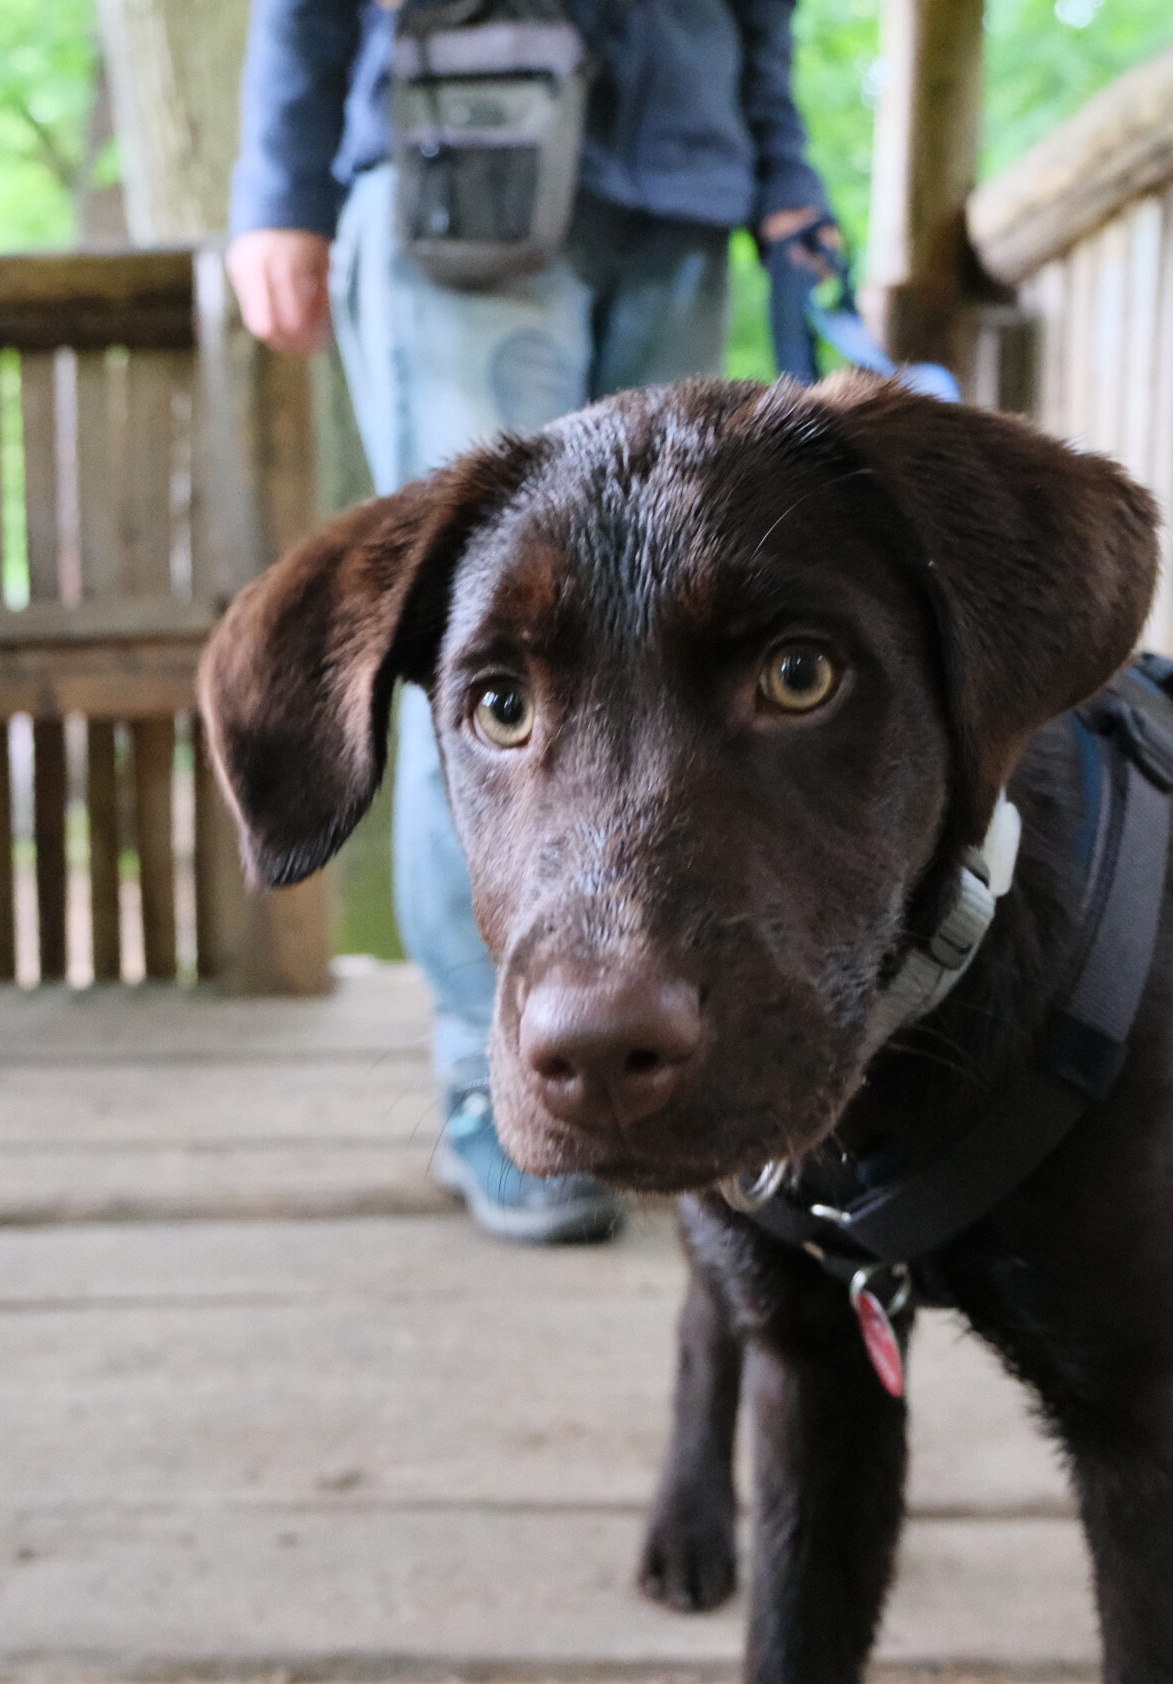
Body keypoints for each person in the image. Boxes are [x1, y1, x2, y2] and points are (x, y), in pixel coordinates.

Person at [228, 0, 831, 1245]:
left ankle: (667, 1041)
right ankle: (486, 1075)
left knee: (659, 652)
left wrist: (780, 163)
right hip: (459, 154)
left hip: (680, 180)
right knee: (501, 666)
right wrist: (277, 189)